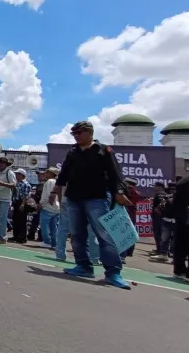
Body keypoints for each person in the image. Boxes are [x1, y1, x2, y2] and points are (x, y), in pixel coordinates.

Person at [51, 120, 133, 290]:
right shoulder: (72, 152)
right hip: (74, 197)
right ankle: (83, 266)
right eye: (73, 134)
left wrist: (119, 192)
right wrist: (55, 190)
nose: (76, 136)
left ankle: (113, 273)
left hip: (97, 198)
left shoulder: (103, 150)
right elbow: (64, 173)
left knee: (104, 235)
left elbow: (115, 173)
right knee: (76, 234)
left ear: (89, 132)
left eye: (79, 133)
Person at [38, 167, 61, 248]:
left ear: (51, 174)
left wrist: (41, 204)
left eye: (47, 172)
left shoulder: (49, 181)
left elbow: (48, 195)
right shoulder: (57, 182)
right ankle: (54, 244)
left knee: (44, 226)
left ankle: (47, 242)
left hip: (47, 207)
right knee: (54, 228)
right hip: (56, 208)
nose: (45, 173)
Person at [121, 177, 141, 262]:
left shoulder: (124, 191)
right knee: (129, 235)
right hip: (132, 216)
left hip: (123, 214)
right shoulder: (137, 193)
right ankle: (127, 253)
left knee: (121, 235)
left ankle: (122, 255)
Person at [10, 168, 32, 244]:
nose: (16, 175)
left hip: (22, 203)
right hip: (16, 202)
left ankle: (23, 237)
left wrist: (22, 204)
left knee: (22, 221)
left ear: (22, 175)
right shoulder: (17, 183)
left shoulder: (26, 184)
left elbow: (26, 196)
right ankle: (16, 236)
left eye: (17, 174)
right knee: (15, 220)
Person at [150, 181, 167, 255]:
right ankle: (159, 249)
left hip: (158, 217)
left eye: (155, 186)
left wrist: (157, 209)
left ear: (159, 186)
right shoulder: (165, 193)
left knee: (158, 234)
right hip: (161, 217)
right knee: (159, 234)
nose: (154, 188)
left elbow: (162, 203)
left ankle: (160, 251)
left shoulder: (160, 193)